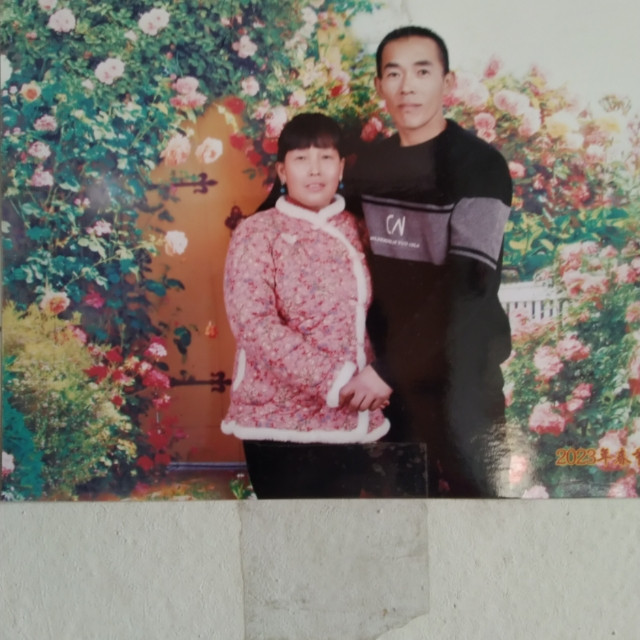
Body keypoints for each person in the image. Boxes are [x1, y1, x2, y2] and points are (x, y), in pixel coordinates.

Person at [341, 26, 513, 497]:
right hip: (394, 389)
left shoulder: (479, 166)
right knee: (404, 517)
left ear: (447, 82)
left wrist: (387, 370)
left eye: (422, 72)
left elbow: (468, 288)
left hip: (462, 378)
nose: (407, 87)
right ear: (379, 85)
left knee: (479, 513)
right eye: (394, 74)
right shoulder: (369, 168)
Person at [221, 112, 390, 499]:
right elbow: (253, 324)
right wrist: (337, 380)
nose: (315, 170)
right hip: (276, 426)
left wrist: (382, 373)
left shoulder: (360, 228)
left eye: (326, 158)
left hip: (352, 419)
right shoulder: (257, 232)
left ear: (341, 167)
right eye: (301, 159)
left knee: (343, 528)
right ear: (282, 171)